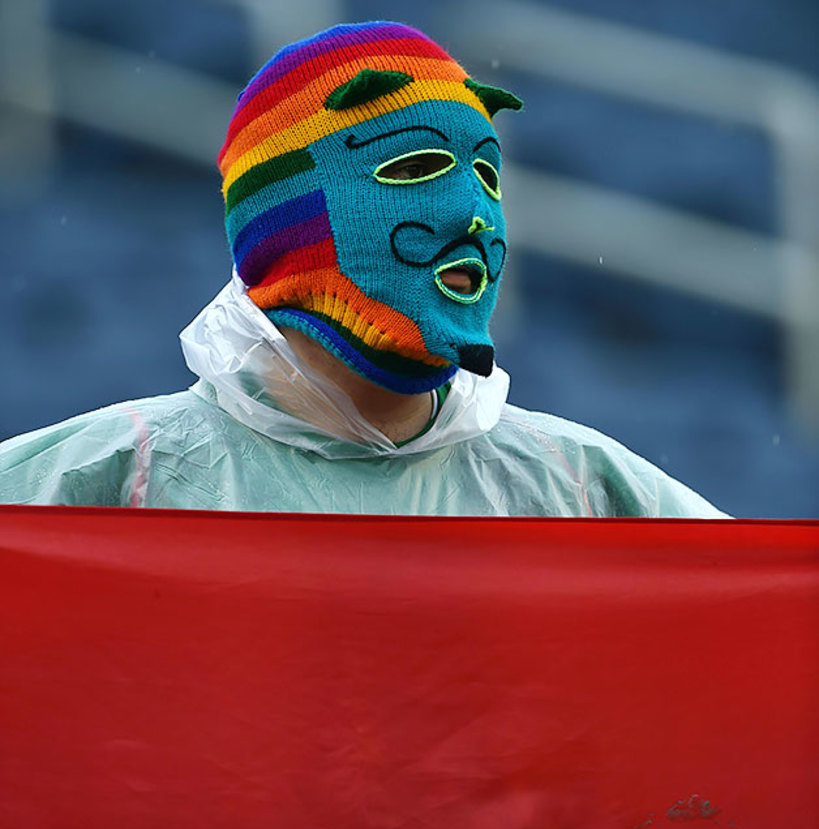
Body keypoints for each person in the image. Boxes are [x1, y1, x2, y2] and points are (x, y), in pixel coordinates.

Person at [0, 21, 724, 517]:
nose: (475, 214)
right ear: (289, 222)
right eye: (419, 167)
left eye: (487, 175)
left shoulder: (581, 492)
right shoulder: (115, 480)